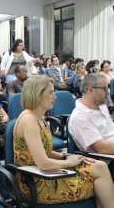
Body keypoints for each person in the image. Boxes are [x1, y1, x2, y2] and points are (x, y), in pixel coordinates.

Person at [14, 75, 114, 207]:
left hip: (44, 173)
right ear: (37, 94)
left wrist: (66, 156)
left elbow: (45, 152)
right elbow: (43, 163)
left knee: (100, 167)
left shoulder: (37, 117)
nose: (54, 97)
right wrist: (68, 162)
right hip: (36, 182)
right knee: (100, 181)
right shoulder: (29, 120)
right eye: (50, 93)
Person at [68, 73, 114, 153]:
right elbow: (102, 148)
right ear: (90, 90)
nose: (108, 92)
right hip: (108, 160)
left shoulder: (101, 106)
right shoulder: (79, 117)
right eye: (105, 88)